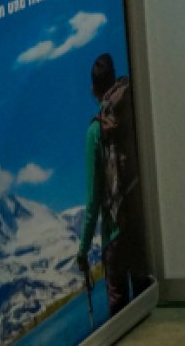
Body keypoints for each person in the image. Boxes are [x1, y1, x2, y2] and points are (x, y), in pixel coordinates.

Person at [76, 53, 150, 318]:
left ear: (93, 90)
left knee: (120, 315)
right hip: (140, 222)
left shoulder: (95, 132)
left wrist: (83, 251)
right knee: (147, 305)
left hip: (115, 235)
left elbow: (93, 202)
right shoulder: (131, 105)